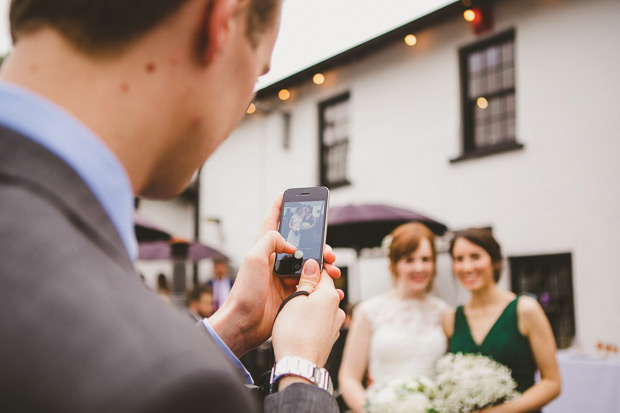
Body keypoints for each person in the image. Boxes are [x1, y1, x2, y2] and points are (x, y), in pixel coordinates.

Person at [0, 0, 345, 411]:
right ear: (223, 22)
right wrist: (302, 371)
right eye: (257, 71)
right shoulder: (171, 382)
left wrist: (234, 324)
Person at [442, 228, 561, 412]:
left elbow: (552, 383)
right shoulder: (450, 319)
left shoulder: (524, 309)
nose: (467, 267)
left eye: (475, 256)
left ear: (494, 261)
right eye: (459, 259)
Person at [339, 222, 450, 413]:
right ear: (395, 264)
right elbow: (348, 378)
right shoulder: (369, 311)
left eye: (426, 259)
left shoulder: (444, 313)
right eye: (409, 260)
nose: (419, 267)